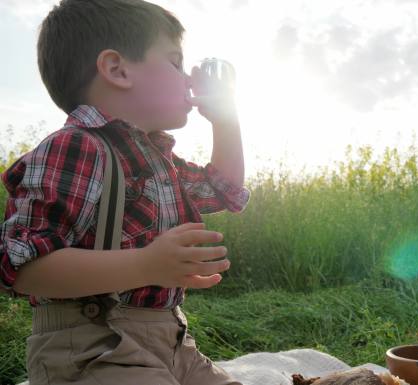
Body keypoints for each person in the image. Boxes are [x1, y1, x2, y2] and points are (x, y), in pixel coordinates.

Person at [0, 0, 247, 384]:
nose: (188, 79)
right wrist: (147, 265)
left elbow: (225, 188)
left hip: (173, 341)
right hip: (92, 347)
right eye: (175, 62)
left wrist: (226, 117)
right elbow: (24, 268)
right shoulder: (77, 147)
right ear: (117, 69)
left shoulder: (157, 158)